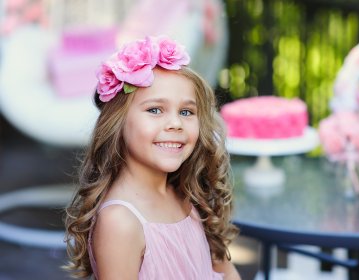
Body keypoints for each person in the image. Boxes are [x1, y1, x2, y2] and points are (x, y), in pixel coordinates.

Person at [64, 35, 240, 279]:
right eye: (155, 110)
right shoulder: (120, 222)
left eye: (187, 111)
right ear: (118, 122)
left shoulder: (188, 195)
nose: (176, 123)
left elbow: (227, 272)